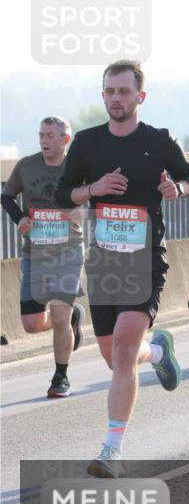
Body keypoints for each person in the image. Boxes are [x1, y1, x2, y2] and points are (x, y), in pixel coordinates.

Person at [56, 60, 189, 478]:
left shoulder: (158, 140)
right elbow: (65, 194)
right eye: (109, 91)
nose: (115, 98)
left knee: (120, 350)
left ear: (140, 96)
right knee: (114, 356)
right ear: (103, 96)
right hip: (103, 260)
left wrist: (178, 188)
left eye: (123, 91)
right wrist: (93, 189)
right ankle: (156, 351)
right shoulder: (86, 143)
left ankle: (111, 450)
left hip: (145, 258)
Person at [2, 116, 85, 397]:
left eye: (50, 135)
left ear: (65, 139)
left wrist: (82, 212)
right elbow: (6, 196)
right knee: (31, 324)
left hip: (69, 250)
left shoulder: (77, 169)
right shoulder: (26, 165)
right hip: (34, 253)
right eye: (41, 135)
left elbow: (96, 199)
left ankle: (60, 377)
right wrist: (20, 218)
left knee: (59, 317)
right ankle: (74, 316)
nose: (44, 140)